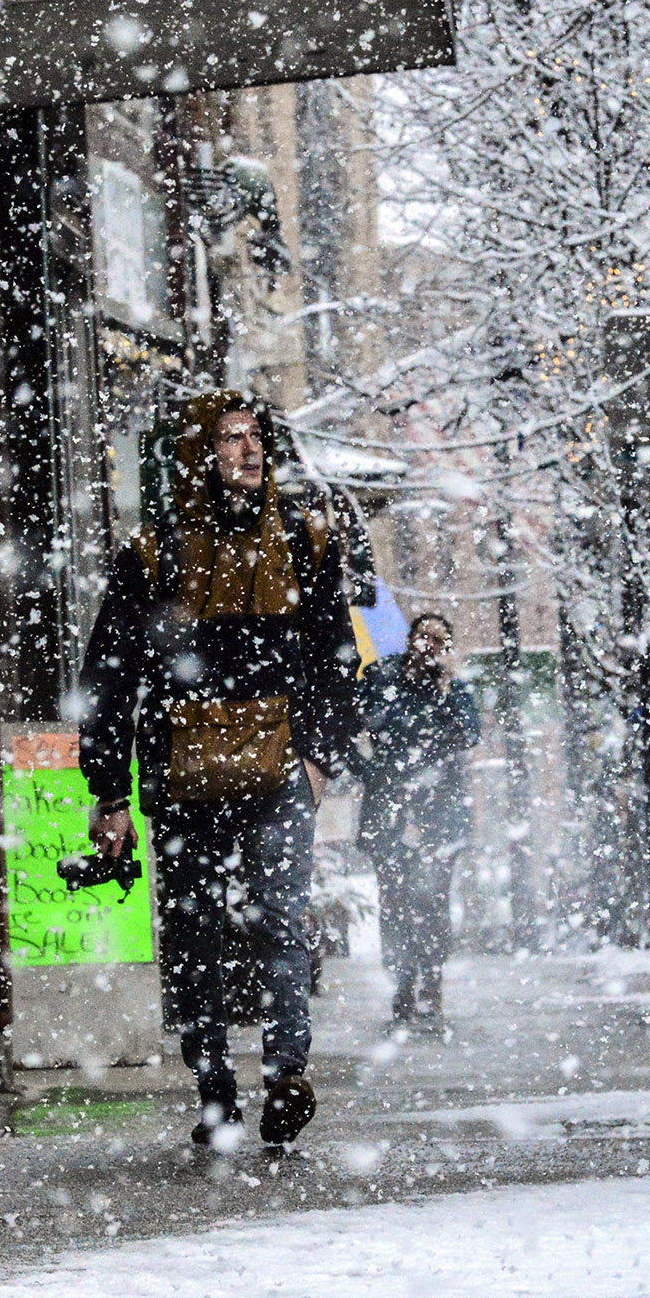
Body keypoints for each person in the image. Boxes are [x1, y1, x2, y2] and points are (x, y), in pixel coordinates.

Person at [77, 391, 358, 1148]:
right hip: (181, 772)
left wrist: (318, 758)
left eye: (255, 437)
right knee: (194, 934)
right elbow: (109, 672)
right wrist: (109, 790)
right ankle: (214, 1089)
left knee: (280, 925)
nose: (248, 451)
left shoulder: (304, 542)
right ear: (201, 456)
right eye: (231, 439)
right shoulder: (154, 553)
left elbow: (338, 656)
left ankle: (286, 1072)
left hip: (277, 771)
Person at [356, 613, 482, 1030]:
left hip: (438, 815)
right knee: (394, 904)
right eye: (424, 636)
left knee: (432, 903)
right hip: (389, 811)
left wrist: (447, 688)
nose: (430, 645)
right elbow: (360, 723)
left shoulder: (454, 688)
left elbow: (469, 733)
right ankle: (403, 984)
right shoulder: (382, 679)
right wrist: (370, 773)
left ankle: (431, 983)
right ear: (410, 640)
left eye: (439, 640)